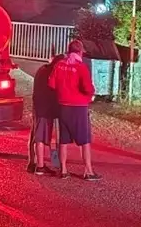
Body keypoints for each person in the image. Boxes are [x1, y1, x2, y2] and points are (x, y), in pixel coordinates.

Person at [48, 40, 100, 181]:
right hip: (79, 107)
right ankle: (88, 171)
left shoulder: (59, 65)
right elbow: (88, 88)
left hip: (63, 107)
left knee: (63, 140)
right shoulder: (81, 67)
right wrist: (91, 94)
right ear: (80, 52)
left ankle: (63, 170)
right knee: (85, 140)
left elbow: (51, 84)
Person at [27, 52, 63, 174]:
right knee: (42, 137)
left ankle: (33, 162)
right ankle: (41, 166)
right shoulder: (52, 72)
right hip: (46, 108)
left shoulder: (42, 69)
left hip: (38, 106)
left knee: (36, 134)